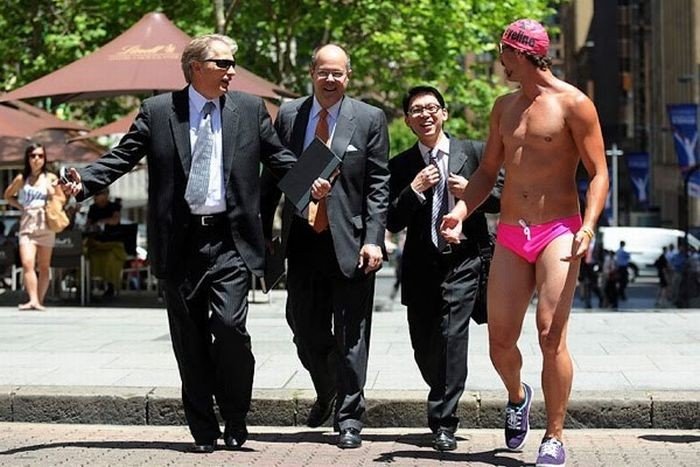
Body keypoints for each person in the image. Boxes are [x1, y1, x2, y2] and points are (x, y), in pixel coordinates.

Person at [60, 34, 296, 453]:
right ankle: (203, 428)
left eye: (232, 64)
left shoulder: (248, 108)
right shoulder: (158, 111)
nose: (232, 72)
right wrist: (84, 181)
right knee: (189, 340)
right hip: (180, 242)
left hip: (231, 240)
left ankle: (236, 413)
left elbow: (278, 157)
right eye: (223, 63)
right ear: (196, 68)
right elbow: (123, 156)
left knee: (229, 328)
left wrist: (314, 181)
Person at [440, 19, 608, 467]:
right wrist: (459, 212)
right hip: (512, 233)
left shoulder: (575, 104)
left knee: (550, 333)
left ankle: (554, 435)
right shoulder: (504, 107)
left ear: (524, 54)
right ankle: (518, 396)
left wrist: (587, 227)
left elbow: (599, 175)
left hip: (559, 230)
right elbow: (485, 173)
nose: (500, 62)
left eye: (504, 53)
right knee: (499, 340)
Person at [262, 43, 389, 449]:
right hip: (302, 241)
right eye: (323, 72)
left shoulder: (369, 118)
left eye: (338, 73)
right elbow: (274, 174)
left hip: (351, 243)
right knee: (304, 329)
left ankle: (350, 416)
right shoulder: (288, 115)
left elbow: (378, 186)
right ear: (312, 74)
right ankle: (329, 387)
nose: (330, 80)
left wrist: (374, 239)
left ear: (348, 76)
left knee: (352, 334)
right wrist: (263, 232)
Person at [387, 85, 503, 451]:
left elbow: (502, 198)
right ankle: (441, 390)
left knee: (453, 338)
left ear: (444, 113)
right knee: (424, 344)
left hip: (465, 260)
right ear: (407, 120)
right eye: (417, 110)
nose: (425, 115)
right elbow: (390, 219)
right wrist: (415, 190)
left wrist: (472, 192)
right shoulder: (402, 164)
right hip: (421, 265)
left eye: (432, 108)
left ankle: (443, 421)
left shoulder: (474, 153)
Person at [4, 143, 60, 311]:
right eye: (33, 156)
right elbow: (8, 195)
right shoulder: (22, 178)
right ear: (27, 158)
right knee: (27, 263)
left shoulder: (50, 177)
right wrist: (21, 207)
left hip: (45, 223)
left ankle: (39, 300)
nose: (37, 159)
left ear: (45, 159)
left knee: (43, 265)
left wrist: (53, 192)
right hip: (27, 224)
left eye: (40, 156)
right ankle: (33, 300)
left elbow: (61, 198)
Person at [84, 188, 126, 298]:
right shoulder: (92, 208)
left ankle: (111, 285)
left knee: (111, 258)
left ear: (106, 195)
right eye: (96, 194)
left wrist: (102, 222)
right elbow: (87, 224)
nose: (96, 197)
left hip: (112, 242)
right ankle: (85, 286)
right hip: (96, 243)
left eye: (99, 194)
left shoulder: (114, 206)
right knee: (86, 256)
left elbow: (115, 220)